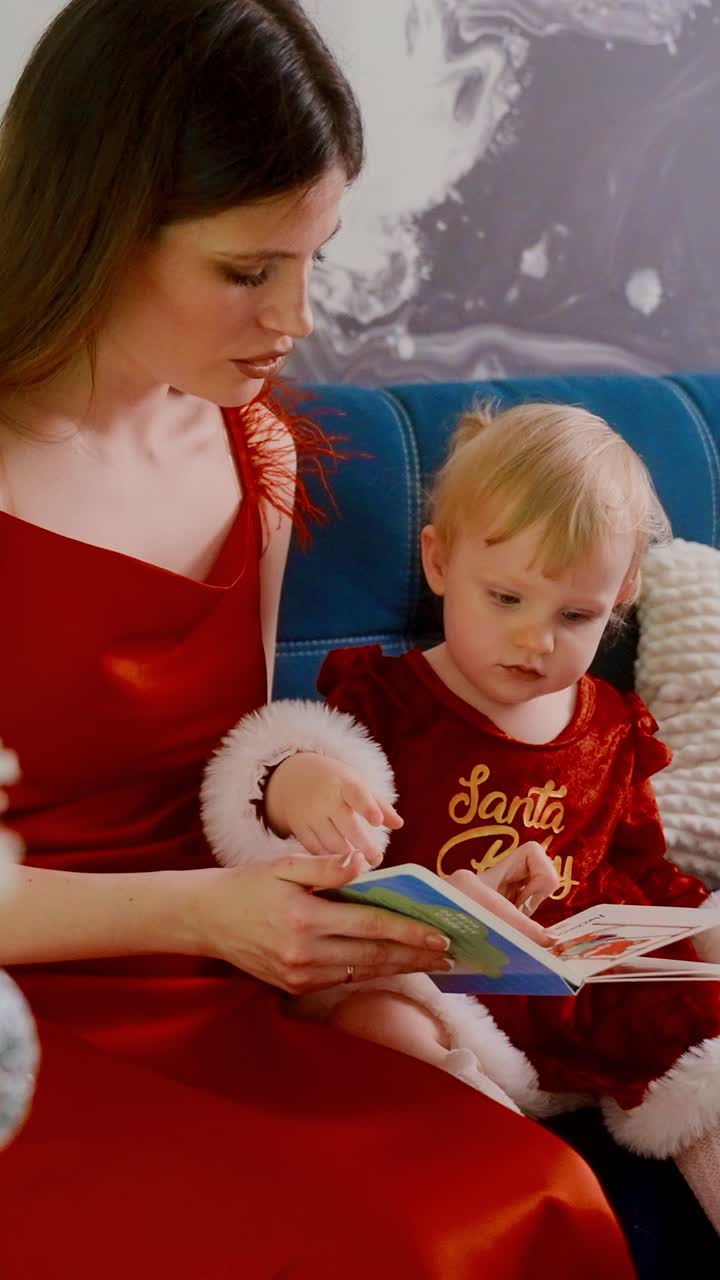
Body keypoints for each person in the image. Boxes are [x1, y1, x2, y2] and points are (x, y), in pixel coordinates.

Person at [0, 2, 638, 1276]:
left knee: (530, 1197)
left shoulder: (263, 454)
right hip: (32, 1021)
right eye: (248, 270)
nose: (295, 317)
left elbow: (227, 761)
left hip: (233, 978)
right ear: (97, 223)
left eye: (315, 260)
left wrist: (316, 812)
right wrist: (220, 915)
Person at [208, 400, 720, 1233]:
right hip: (435, 982)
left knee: (704, 1062)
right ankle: (499, 1192)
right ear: (439, 561)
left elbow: (640, 866)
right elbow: (279, 780)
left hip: (578, 998)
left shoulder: (612, 725)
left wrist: (686, 934)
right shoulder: (390, 702)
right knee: (379, 1023)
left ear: (620, 597)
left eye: (575, 616)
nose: (534, 640)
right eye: (506, 597)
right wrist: (296, 782)